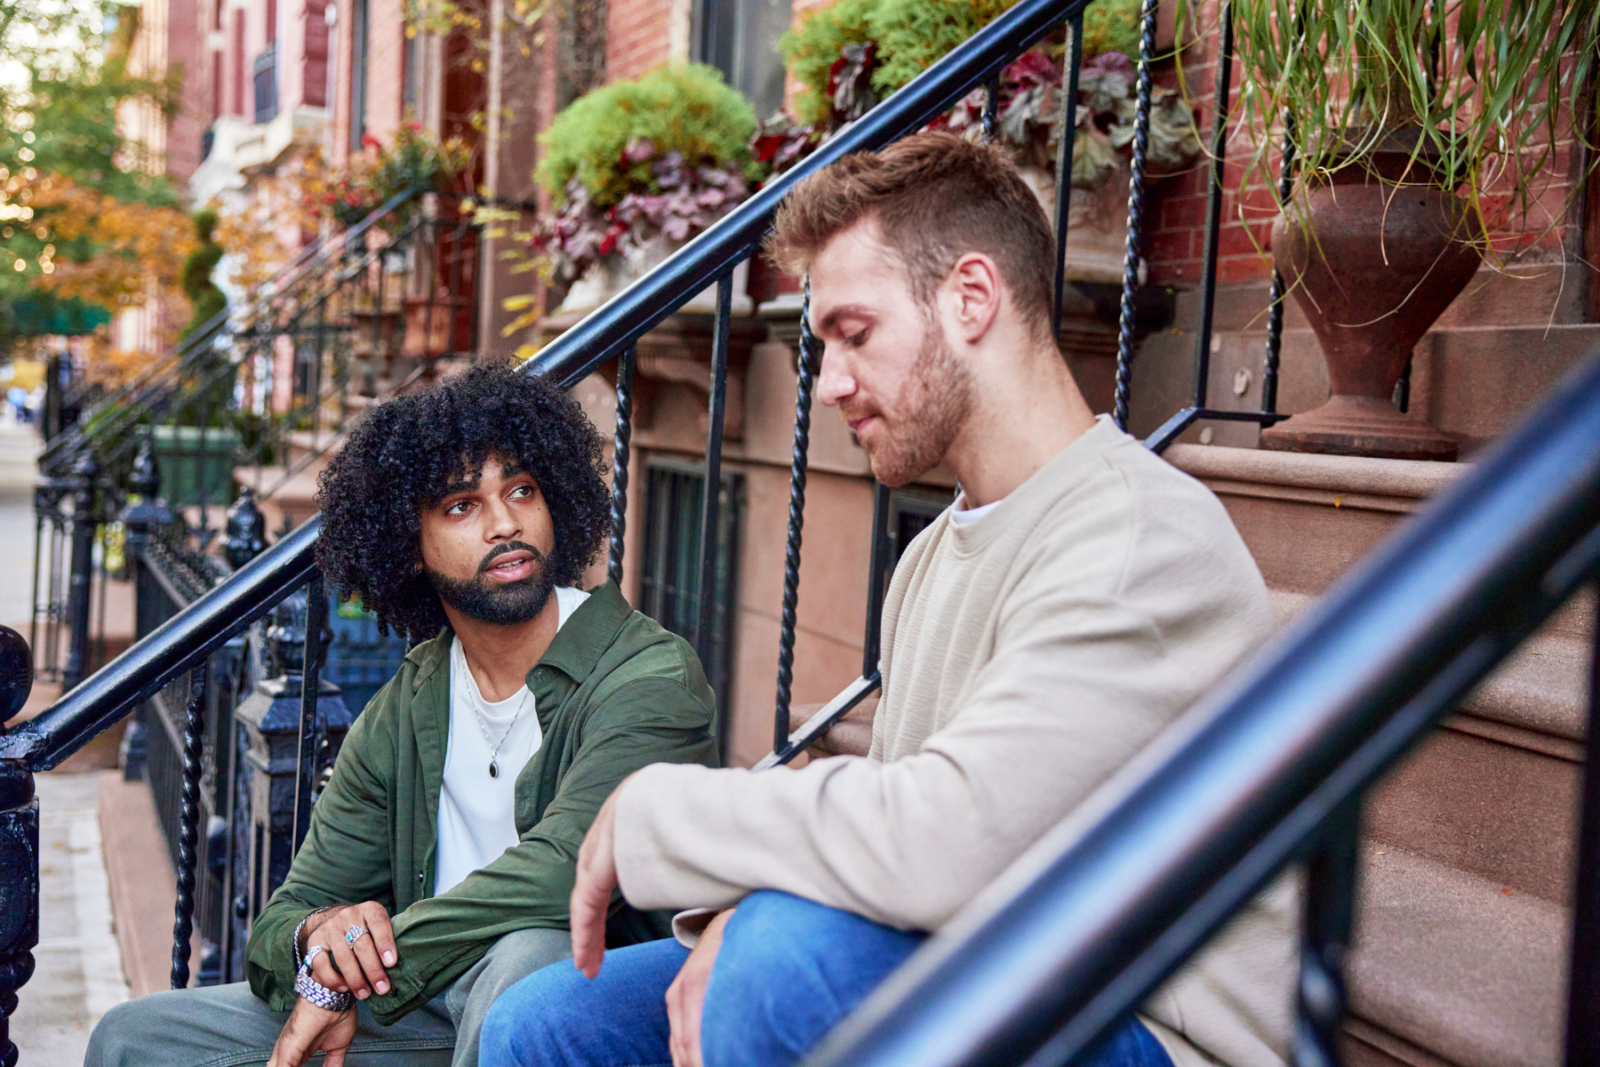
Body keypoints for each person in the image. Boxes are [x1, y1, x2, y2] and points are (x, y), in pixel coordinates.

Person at [479, 133, 1296, 1067]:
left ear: (972, 299)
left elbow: (946, 838)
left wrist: (662, 810)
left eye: (853, 335)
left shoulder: (1139, 539)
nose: (825, 384)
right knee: (546, 1020)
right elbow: (896, 855)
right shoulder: (936, 552)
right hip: (987, 955)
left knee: (784, 965)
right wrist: (741, 908)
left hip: (1145, 1023)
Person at [86, 361, 719, 1067]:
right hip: (420, 1002)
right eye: (460, 505)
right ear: (407, 544)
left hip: (581, 1009)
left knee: (529, 954)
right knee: (134, 1039)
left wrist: (358, 970)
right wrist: (325, 935)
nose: (505, 522)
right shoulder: (410, 701)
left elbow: (566, 869)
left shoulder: (648, 675)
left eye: (521, 490)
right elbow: (290, 911)